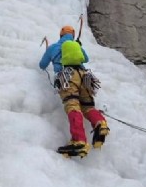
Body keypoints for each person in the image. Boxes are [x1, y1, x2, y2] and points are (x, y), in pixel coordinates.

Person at [39, 25, 109, 157]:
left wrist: (50, 54)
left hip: (67, 77)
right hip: (84, 76)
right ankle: (101, 123)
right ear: (72, 35)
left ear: (61, 35)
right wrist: (78, 46)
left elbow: (42, 65)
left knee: (72, 105)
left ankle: (79, 141)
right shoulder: (76, 45)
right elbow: (86, 59)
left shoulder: (54, 47)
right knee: (88, 106)